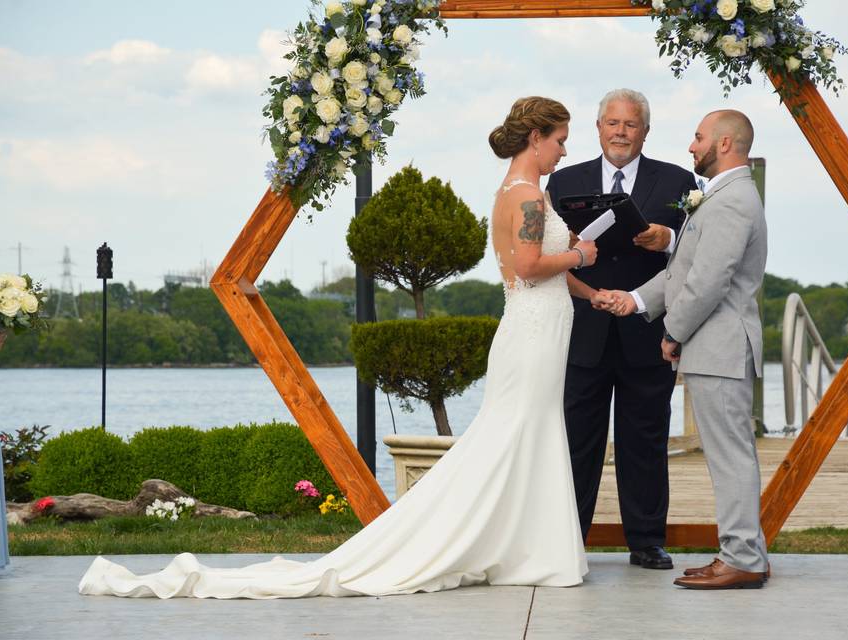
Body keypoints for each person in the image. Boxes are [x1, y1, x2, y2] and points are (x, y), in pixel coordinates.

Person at [77, 96, 598, 599]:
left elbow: (538, 268)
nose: (564, 152)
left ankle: (526, 549)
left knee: (527, 434)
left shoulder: (523, 191)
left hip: (539, 328)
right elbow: (529, 269)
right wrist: (578, 253)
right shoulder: (527, 196)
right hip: (532, 331)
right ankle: (512, 549)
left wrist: (593, 289)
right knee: (515, 435)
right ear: (536, 137)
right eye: (560, 140)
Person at [598, 109, 770, 589]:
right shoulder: (722, 196)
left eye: (698, 138)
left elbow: (708, 281)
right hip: (716, 348)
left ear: (726, 144)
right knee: (731, 455)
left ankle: (741, 559)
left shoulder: (731, 200)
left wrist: (672, 333)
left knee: (730, 458)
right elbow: (680, 273)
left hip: (720, 347)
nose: (691, 147)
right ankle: (748, 551)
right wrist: (634, 301)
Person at [545, 89, 697, 570]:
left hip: (647, 331)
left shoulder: (677, 179)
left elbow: (695, 250)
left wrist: (666, 238)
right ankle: (567, 539)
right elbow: (550, 248)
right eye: (612, 123)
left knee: (646, 442)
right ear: (598, 127)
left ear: (645, 131)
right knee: (575, 442)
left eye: (630, 125)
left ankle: (647, 542)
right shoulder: (563, 179)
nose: (620, 133)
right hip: (581, 331)